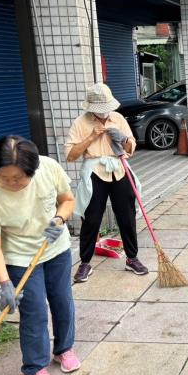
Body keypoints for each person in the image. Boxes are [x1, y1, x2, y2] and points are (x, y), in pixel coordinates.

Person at [0, 136, 79, 375]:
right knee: (35, 311)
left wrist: (59, 219)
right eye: (4, 178)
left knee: (63, 300)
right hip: (18, 257)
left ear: (33, 169)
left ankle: (64, 349)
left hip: (55, 249)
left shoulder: (49, 168)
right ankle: (33, 371)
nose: (11, 183)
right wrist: (5, 283)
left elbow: (67, 199)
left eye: (18, 178)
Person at [65, 83, 148, 283]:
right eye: (99, 109)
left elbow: (131, 147)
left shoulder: (118, 118)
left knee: (127, 215)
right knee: (91, 217)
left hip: (119, 168)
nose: (104, 113)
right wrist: (91, 137)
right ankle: (85, 262)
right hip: (95, 171)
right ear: (91, 107)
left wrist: (123, 139)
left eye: (106, 108)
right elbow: (70, 155)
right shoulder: (80, 123)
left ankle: (132, 258)